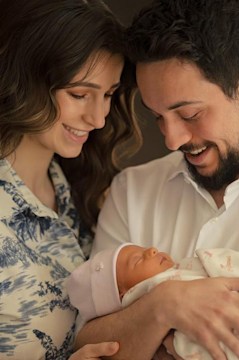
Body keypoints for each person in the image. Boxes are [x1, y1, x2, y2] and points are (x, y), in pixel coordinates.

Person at [74, 0, 239, 359]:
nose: (172, 140)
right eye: (158, 117)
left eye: (189, 113)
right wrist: (166, 304)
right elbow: (89, 340)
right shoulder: (133, 191)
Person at [0, 0, 141, 358]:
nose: (98, 118)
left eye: (108, 95)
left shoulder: (88, 193)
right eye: (79, 94)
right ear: (26, 78)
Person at [67, 244, 239, 360]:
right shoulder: (145, 298)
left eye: (143, 248)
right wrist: (162, 302)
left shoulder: (188, 268)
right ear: (123, 295)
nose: (152, 250)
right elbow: (89, 339)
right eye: (137, 260)